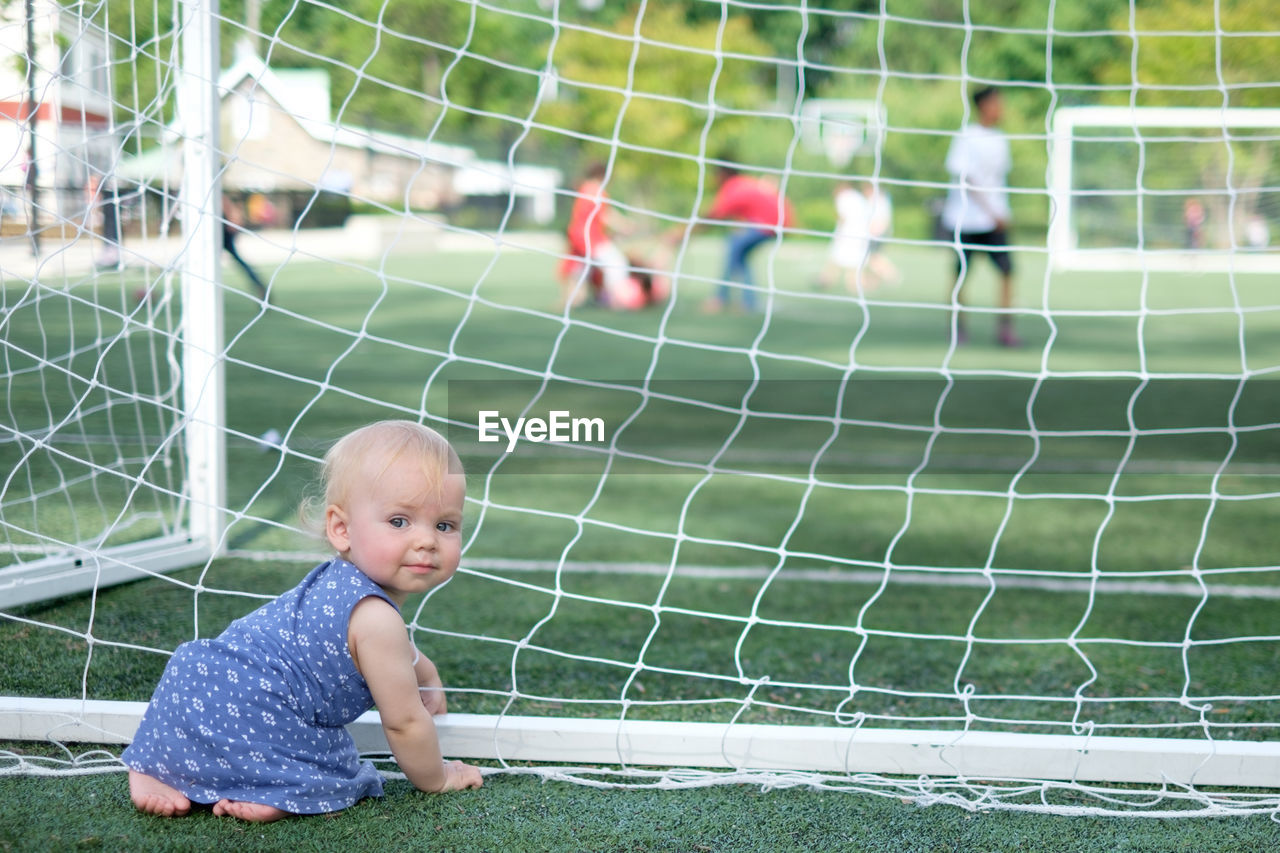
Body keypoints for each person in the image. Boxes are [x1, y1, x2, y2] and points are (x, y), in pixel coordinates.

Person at [122, 420, 484, 822]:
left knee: (230, 696)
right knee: (338, 766)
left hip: (196, 680)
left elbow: (376, 647)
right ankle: (275, 788)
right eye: (399, 521)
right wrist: (438, 777)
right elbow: (404, 723)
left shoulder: (339, 581)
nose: (427, 540)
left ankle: (152, 768)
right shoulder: (377, 619)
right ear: (341, 528)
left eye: (445, 525)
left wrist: (424, 671)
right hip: (259, 709)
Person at [940, 86, 1017, 347]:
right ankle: (958, 327)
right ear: (984, 105)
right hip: (968, 219)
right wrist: (991, 211)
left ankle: (1005, 329)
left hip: (994, 221)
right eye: (997, 102)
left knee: (1008, 271)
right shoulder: (966, 136)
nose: (1001, 107)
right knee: (961, 273)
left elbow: (998, 181)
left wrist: (1002, 213)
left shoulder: (1000, 138)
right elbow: (966, 177)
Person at [670, 164, 793, 314]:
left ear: (722, 174)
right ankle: (748, 300)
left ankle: (721, 298)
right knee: (740, 255)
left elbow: (711, 217)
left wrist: (683, 234)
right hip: (775, 221)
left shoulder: (733, 187)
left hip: (771, 223)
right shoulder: (743, 183)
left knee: (734, 247)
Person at [559, 162, 633, 309]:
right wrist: (625, 226)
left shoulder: (583, 188)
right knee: (616, 262)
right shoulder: (596, 191)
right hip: (590, 238)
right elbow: (605, 215)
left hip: (577, 235)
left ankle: (572, 299)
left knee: (579, 269)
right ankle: (615, 299)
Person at [818, 181, 873, 294]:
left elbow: (843, 217)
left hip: (848, 234)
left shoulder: (843, 197)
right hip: (861, 234)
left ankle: (827, 280)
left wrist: (839, 233)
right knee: (852, 261)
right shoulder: (858, 197)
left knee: (837, 258)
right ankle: (828, 280)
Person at [222, 194, 269, 301]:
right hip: (217, 235)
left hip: (223, 235)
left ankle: (260, 286)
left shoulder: (217, 197)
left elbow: (231, 212)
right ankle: (259, 285)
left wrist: (233, 227)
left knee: (238, 261)